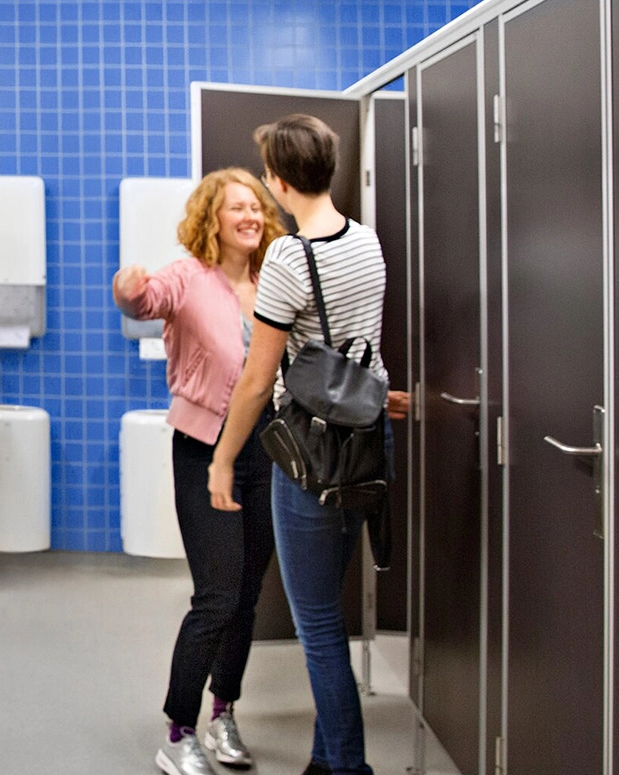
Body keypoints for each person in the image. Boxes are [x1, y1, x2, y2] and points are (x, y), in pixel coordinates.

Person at [206, 115, 408, 775]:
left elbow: (258, 378)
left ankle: (348, 766)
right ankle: (326, 760)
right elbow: (361, 350)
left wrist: (224, 457)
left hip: (313, 457)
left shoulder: (290, 258)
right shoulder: (367, 241)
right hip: (369, 443)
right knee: (327, 614)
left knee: (319, 627)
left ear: (279, 179)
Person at [113, 168, 287, 775]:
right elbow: (143, 300)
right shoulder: (188, 277)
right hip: (202, 449)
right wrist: (128, 285)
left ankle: (224, 713)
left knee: (246, 597)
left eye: (256, 207)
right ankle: (179, 729)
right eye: (237, 207)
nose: (250, 217)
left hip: (267, 450)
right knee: (215, 596)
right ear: (211, 217)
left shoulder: (273, 281)